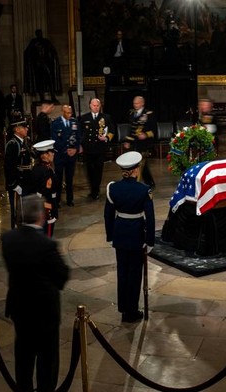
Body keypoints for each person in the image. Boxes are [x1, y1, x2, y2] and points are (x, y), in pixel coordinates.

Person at [1, 194, 69, 392]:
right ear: (41, 215)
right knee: (47, 357)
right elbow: (62, 275)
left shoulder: (8, 239)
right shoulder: (46, 244)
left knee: (24, 354)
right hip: (44, 309)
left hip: (20, 306)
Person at [104, 152, 155, 323]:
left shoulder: (113, 188)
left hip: (120, 233)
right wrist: (150, 241)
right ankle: (131, 311)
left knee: (122, 272)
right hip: (136, 235)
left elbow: (108, 215)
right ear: (135, 170)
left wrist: (110, 236)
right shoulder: (143, 190)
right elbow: (150, 217)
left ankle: (123, 308)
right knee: (134, 274)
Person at [80, 98, 115, 200]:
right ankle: (92, 190)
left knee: (98, 171)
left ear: (100, 106)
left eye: (97, 105)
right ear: (90, 105)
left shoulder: (106, 117)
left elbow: (112, 131)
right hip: (88, 149)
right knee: (89, 171)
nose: (96, 107)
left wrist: (107, 137)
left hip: (100, 149)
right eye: (94, 105)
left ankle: (96, 190)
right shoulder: (83, 118)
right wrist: (80, 145)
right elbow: (80, 133)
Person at [3, 115, 34, 229]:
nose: (27, 129)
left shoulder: (24, 142)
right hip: (18, 182)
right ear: (16, 129)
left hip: (26, 181)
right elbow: (9, 167)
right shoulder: (13, 144)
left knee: (25, 210)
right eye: (24, 127)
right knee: (18, 211)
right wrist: (14, 185)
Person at [123, 96, 156, 188]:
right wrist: (127, 141)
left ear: (142, 103)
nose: (135, 105)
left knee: (142, 163)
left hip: (145, 143)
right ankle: (149, 182)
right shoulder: (132, 114)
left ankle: (141, 182)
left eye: (137, 103)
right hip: (135, 143)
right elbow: (132, 130)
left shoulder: (149, 114)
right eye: (134, 103)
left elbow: (154, 129)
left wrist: (145, 134)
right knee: (140, 164)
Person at [51, 104, 80, 207]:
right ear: (62, 112)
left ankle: (70, 199)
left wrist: (75, 148)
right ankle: (57, 200)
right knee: (58, 179)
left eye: (70, 112)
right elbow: (55, 139)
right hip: (60, 155)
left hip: (72, 156)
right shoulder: (55, 123)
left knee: (69, 178)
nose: (69, 114)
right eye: (67, 112)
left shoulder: (74, 122)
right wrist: (66, 149)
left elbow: (78, 136)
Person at [30, 139, 60, 237]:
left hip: (38, 205)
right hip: (46, 206)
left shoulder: (37, 167)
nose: (53, 154)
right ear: (45, 155)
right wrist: (49, 211)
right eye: (51, 153)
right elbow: (45, 193)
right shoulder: (47, 171)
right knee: (47, 234)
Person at [23, 29, 61, 102]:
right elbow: (27, 52)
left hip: (46, 63)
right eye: (38, 33)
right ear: (36, 34)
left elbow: (52, 50)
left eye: (40, 33)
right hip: (38, 65)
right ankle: (42, 98)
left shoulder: (46, 41)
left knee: (50, 80)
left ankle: (53, 96)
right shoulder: (33, 42)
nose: (40, 34)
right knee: (39, 82)